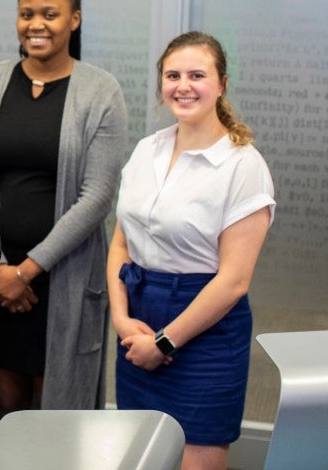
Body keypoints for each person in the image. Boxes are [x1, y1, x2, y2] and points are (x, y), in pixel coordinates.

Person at [0, 0, 128, 421]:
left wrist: (27, 272)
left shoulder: (101, 92)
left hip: (63, 278)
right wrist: (0, 270)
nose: (36, 24)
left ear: (74, 19)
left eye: (50, 14)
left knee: (55, 416)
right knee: (2, 406)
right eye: (26, 13)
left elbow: (97, 197)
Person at [107, 31, 274, 470]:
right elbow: (122, 240)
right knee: (142, 454)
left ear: (221, 84)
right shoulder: (148, 150)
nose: (183, 85)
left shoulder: (243, 166)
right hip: (139, 317)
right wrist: (122, 318)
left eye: (197, 75)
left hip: (205, 329)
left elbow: (234, 281)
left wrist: (164, 342)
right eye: (173, 75)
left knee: (195, 460)